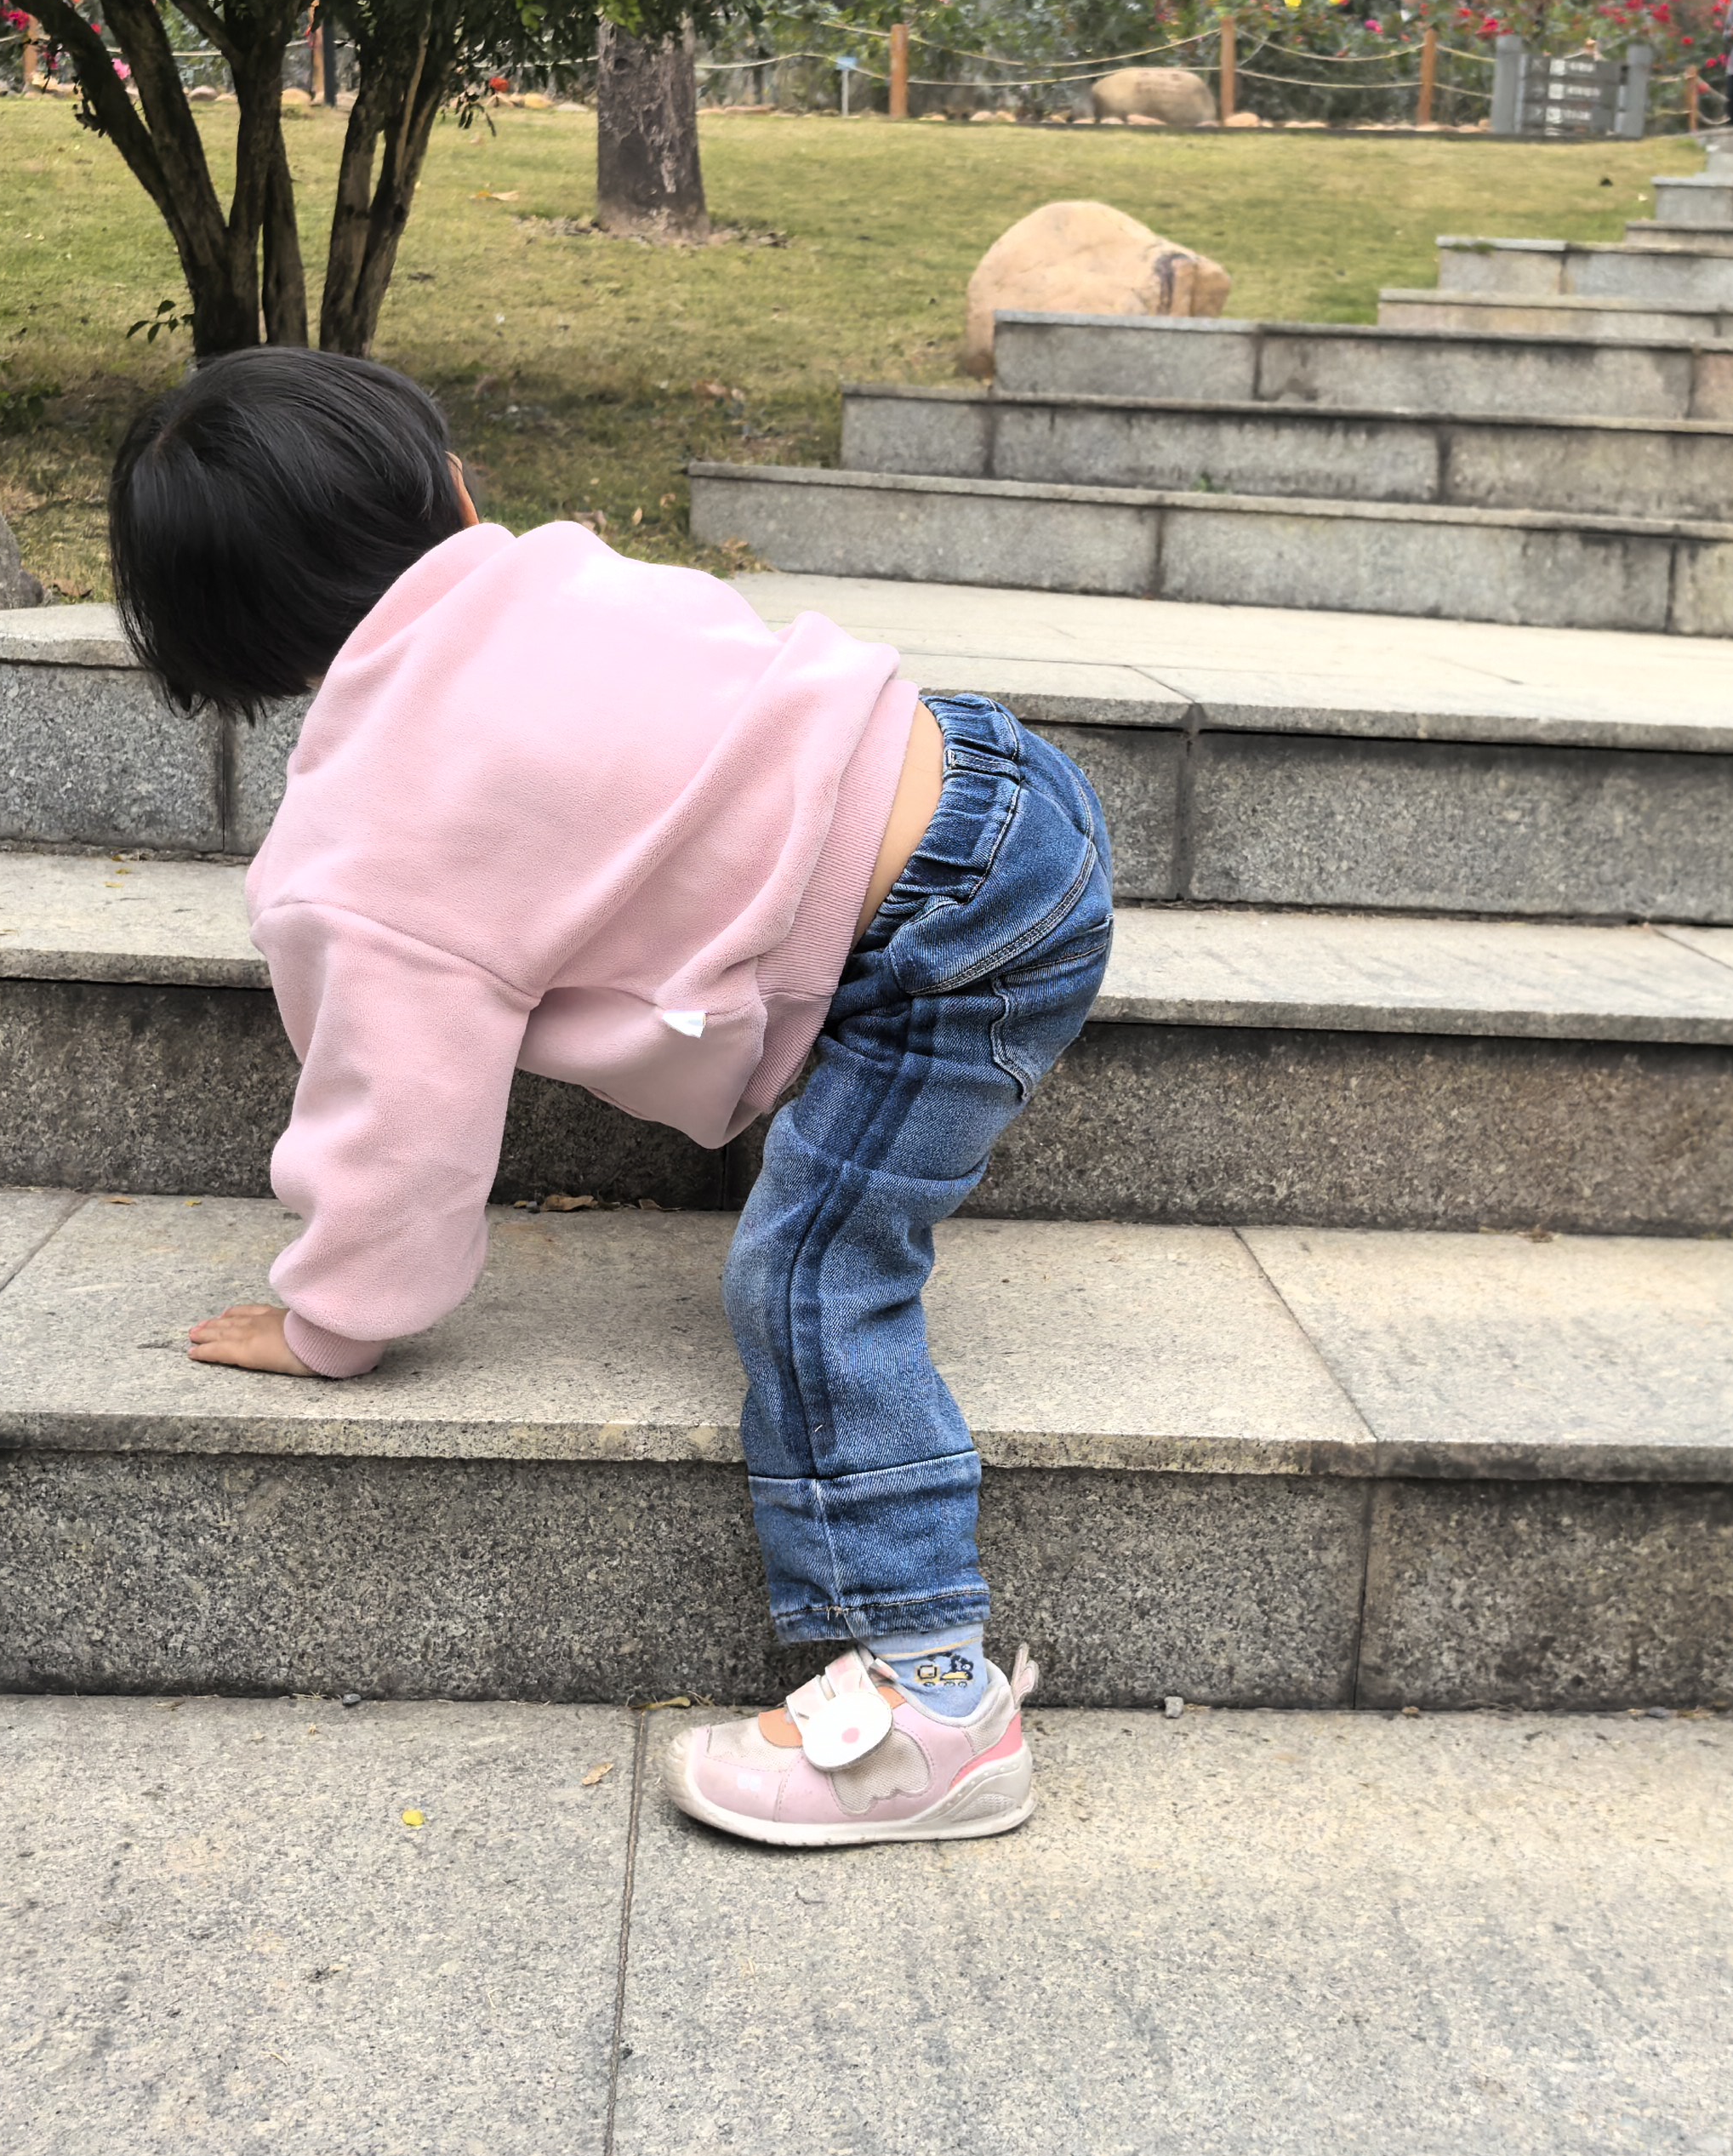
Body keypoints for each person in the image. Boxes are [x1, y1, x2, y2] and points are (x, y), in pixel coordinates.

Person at [111, 347, 1111, 1849]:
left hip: (957, 932)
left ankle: (933, 1700)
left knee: (814, 1276)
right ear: (457, 491)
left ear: (220, 649)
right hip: (996, 771)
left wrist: (334, 1320)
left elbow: (397, 1120)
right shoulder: (557, 573)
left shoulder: (362, 850)